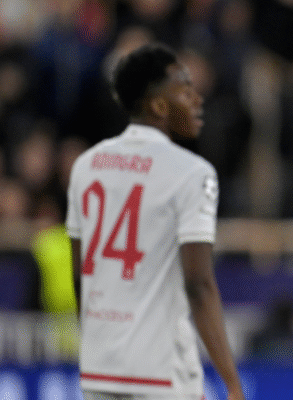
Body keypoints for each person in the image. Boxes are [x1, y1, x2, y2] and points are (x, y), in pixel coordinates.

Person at [65, 43, 245, 400]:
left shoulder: (86, 165)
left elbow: (79, 274)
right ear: (159, 106)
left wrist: (99, 340)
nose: (197, 99)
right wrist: (232, 383)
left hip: (100, 367)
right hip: (161, 370)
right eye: (185, 90)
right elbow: (199, 284)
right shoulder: (193, 173)